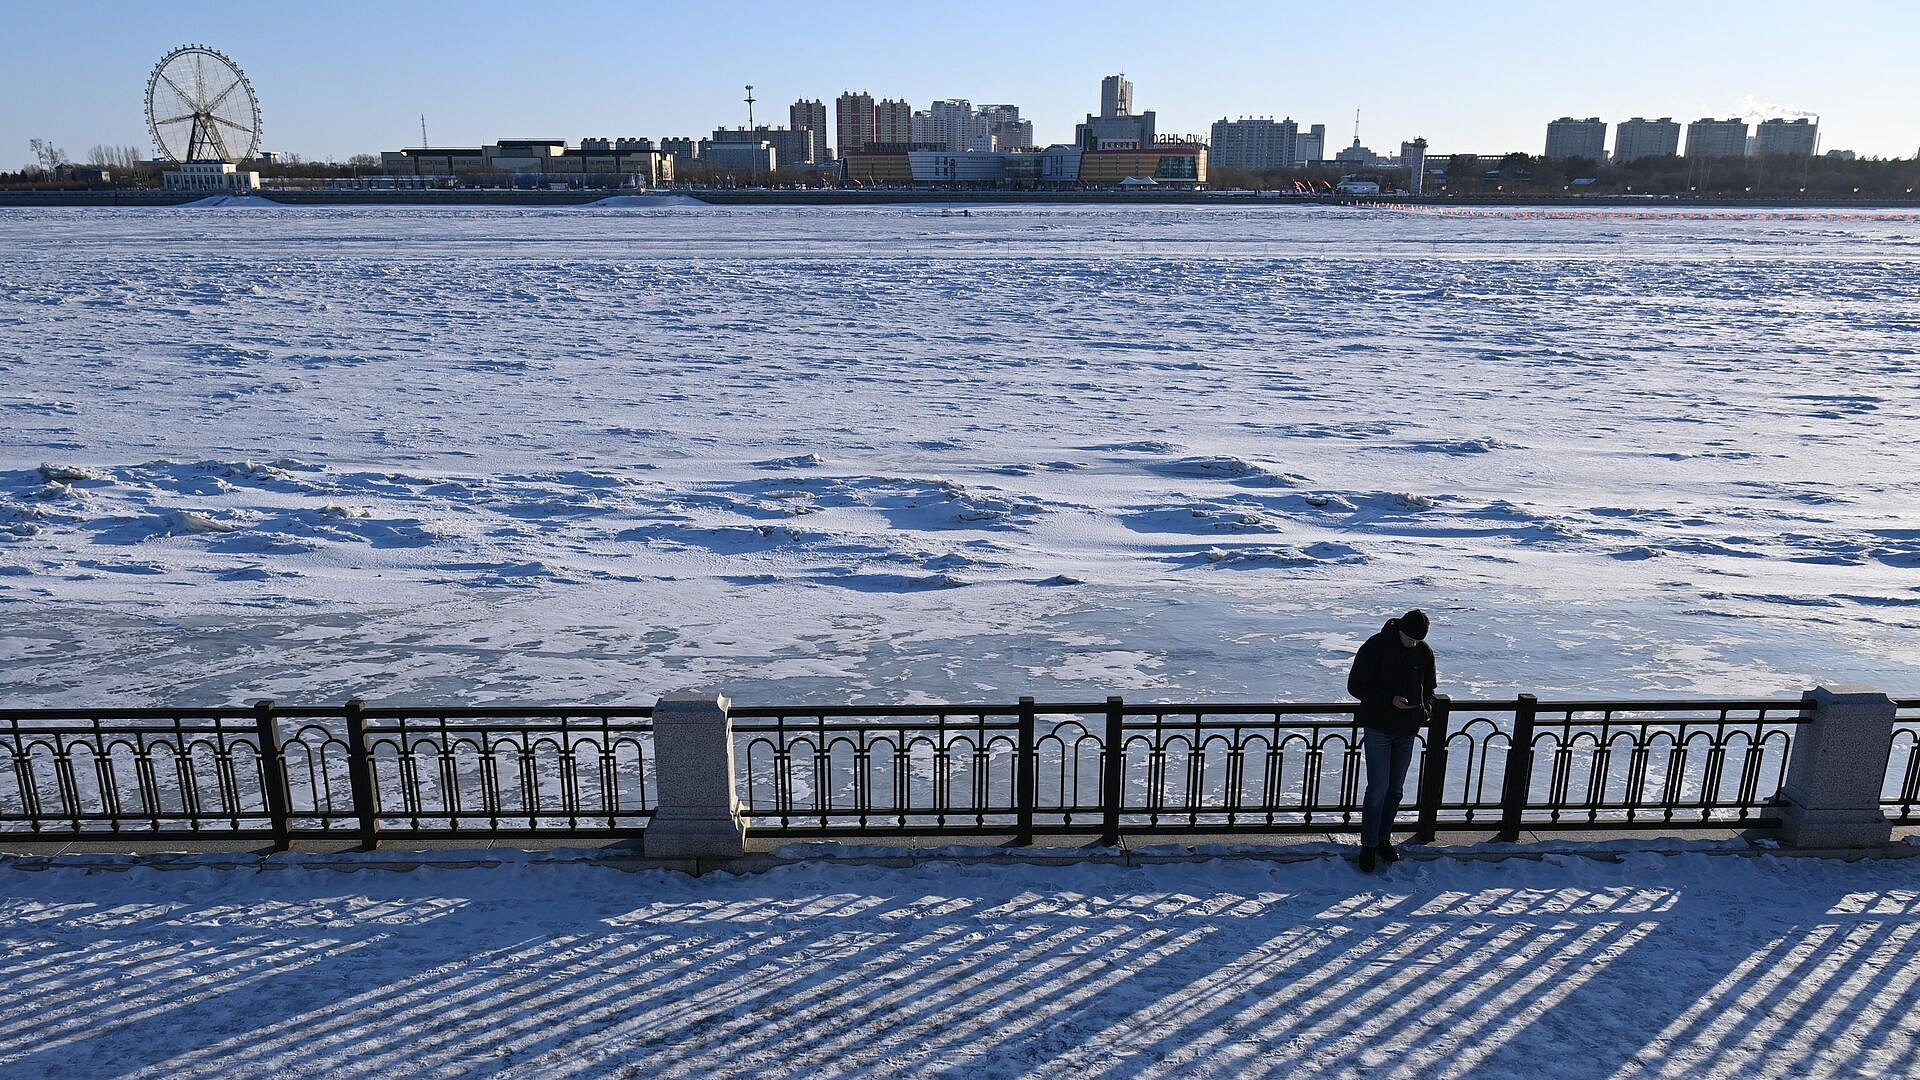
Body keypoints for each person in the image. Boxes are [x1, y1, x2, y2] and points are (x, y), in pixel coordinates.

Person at [1346, 609, 1436, 873]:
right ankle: (1368, 845)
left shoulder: (1423, 651)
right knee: (1378, 789)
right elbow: (1355, 686)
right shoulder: (1376, 646)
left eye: (1417, 640)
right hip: (1379, 728)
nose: (1413, 643)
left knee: (1395, 790)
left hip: (1407, 731)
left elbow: (1429, 687)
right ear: (1400, 629)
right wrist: (1389, 699)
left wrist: (1425, 709)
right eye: (1409, 638)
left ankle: (1384, 839)